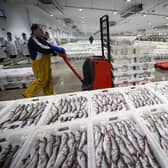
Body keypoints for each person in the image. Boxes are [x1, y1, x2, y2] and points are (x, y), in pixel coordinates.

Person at [23, 24, 66, 98]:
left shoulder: (41, 39)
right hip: (39, 63)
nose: (42, 31)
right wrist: (56, 49)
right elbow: (44, 49)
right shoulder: (33, 40)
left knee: (48, 80)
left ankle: (49, 95)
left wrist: (55, 52)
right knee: (42, 80)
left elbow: (48, 46)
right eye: (40, 30)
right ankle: (28, 94)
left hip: (45, 63)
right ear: (35, 31)